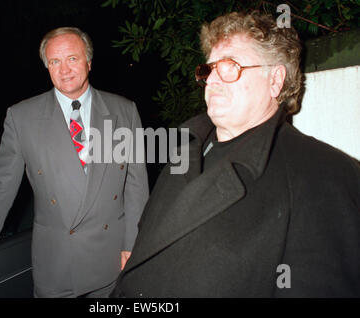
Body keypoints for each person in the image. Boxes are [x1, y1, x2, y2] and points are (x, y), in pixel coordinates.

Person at [111, 11, 360, 297]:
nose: (212, 81)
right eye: (209, 69)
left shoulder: (324, 176)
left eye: (229, 67)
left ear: (275, 80)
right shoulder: (184, 148)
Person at [0, 27, 149, 298]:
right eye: (54, 62)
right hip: (58, 266)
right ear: (47, 67)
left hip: (111, 260)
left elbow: (136, 186)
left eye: (72, 58)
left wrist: (133, 244)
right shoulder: (22, 117)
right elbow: (1, 188)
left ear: (89, 62)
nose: (64, 69)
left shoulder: (123, 111)